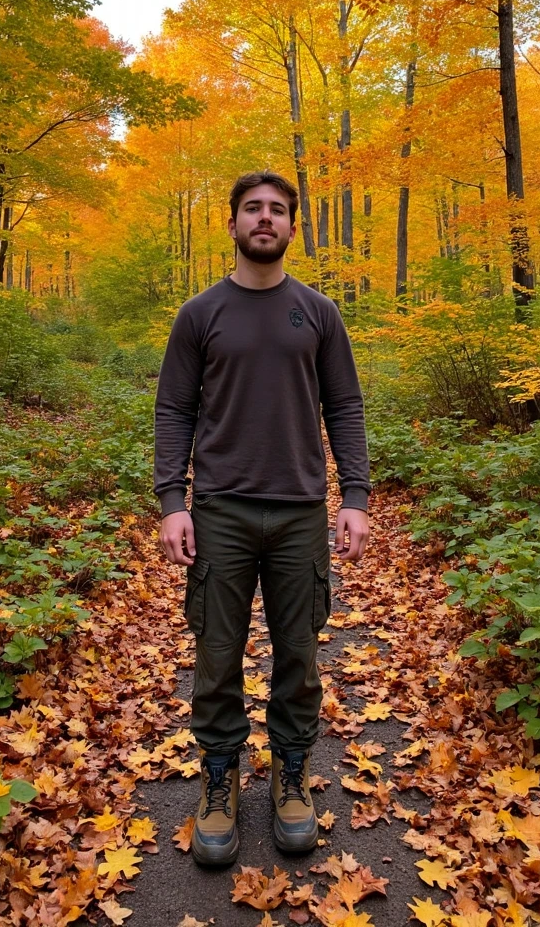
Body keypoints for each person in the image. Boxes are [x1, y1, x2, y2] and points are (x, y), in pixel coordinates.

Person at [153, 170, 371, 867]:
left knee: (300, 655)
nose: (266, 218)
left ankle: (290, 775)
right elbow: (173, 411)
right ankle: (218, 780)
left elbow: (345, 407)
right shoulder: (200, 314)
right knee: (217, 654)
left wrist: (357, 498)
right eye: (253, 208)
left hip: (302, 510)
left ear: (293, 225)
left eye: (278, 209)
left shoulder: (319, 312)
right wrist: (172, 501)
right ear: (233, 222)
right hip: (220, 509)